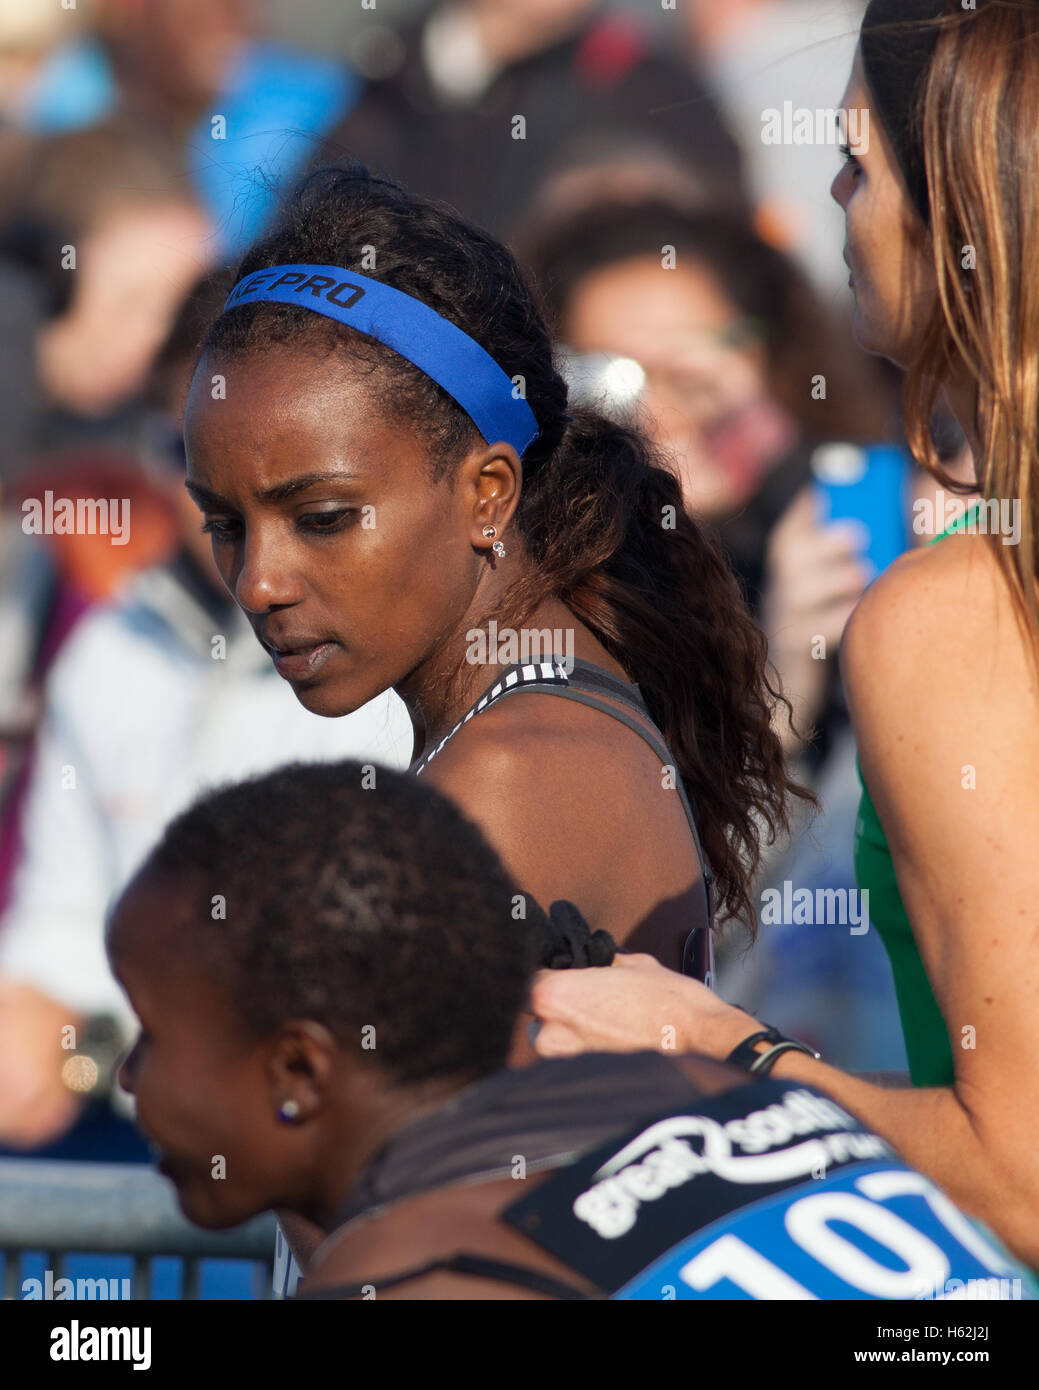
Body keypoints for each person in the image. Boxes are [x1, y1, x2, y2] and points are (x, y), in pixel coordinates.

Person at [528, 0, 1039, 1270]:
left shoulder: (957, 611)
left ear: (962, 221)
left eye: (859, 159)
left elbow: (1022, 1181)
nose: (832, 191)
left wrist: (719, 1051)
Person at [183, 162, 809, 984]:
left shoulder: (503, 778)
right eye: (225, 525)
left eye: (324, 519)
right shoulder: (543, 713)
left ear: (488, 492)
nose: (259, 584)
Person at [107, 762, 1035, 1300]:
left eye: (149, 1035)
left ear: (301, 1069)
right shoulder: (721, 1095)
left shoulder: (417, 1276)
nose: (125, 1081)